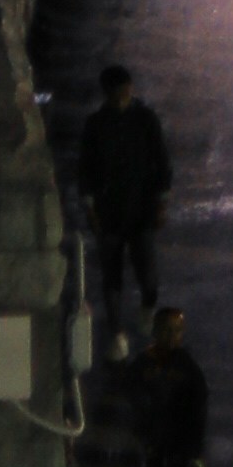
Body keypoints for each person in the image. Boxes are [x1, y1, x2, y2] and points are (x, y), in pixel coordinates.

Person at [78, 58, 172, 321]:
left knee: (148, 275)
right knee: (112, 276)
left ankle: (146, 309)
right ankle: (117, 331)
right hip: (110, 210)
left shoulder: (146, 120)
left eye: (124, 92)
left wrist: (161, 202)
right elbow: (85, 167)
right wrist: (90, 207)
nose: (121, 98)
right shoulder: (95, 125)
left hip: (140, 208)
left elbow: (162, 161)